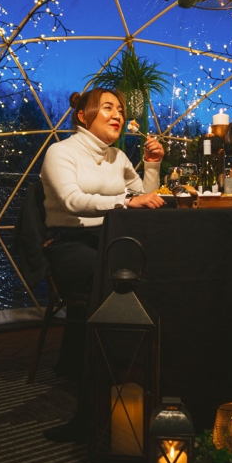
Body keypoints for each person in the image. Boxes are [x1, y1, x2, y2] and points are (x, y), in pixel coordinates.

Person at [39, 87, 164, 442]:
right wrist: (126, 201)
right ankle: (92, 407)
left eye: (121, 110)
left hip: (111, 242)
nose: (119, 114)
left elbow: (142, 197)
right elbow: (73, 200)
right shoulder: (60, 152)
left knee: (154, 274)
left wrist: (152, 166)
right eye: (108, 107)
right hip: (71, 246)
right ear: (83, 115)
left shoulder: (118, 156)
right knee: (114, 282)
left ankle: (142, 380)